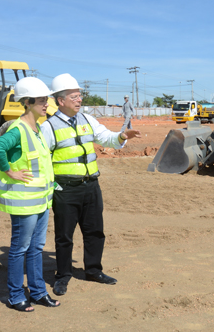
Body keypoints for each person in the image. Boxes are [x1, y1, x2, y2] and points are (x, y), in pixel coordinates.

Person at [41, 73, 141, 296]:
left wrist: (122, 135)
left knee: (95, 232)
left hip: (91, 186)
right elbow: (43, 161)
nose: (79, 100)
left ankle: (94, 271)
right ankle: (63, 275)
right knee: (64, 236)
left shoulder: (87, 120)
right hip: (64, 189)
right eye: (74, 96)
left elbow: (106, 138)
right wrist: (50, 192)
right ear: (61, 101)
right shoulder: (48, 127)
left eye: (80, 95)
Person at [0, 77, 60, 312]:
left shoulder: (36, 128)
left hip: (40, 201)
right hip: (23, 202)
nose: (46, 104)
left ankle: (38, 293)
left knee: (36, 248)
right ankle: (16, 295)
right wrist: (9, 170)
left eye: (46, 100)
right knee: (20, 248)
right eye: (42, 100)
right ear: (28, 102)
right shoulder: (18, 128)